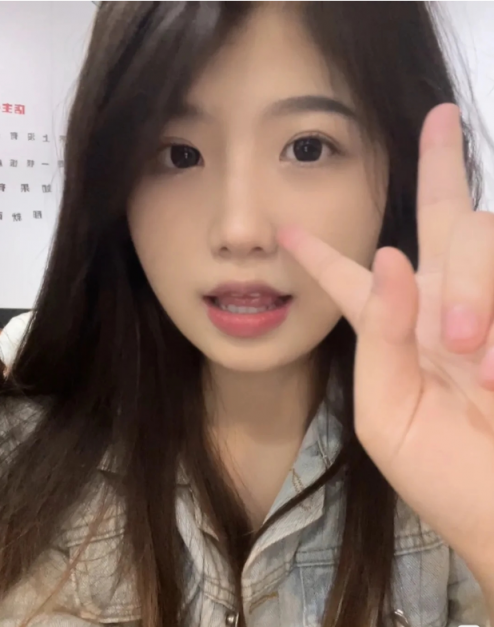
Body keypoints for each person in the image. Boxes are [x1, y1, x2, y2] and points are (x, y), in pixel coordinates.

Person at [0, 2, 493, 626]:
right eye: (179, 154)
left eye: (308, 148)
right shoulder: (20, 458)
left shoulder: (456, 443)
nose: (240, 230)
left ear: (396, 168)